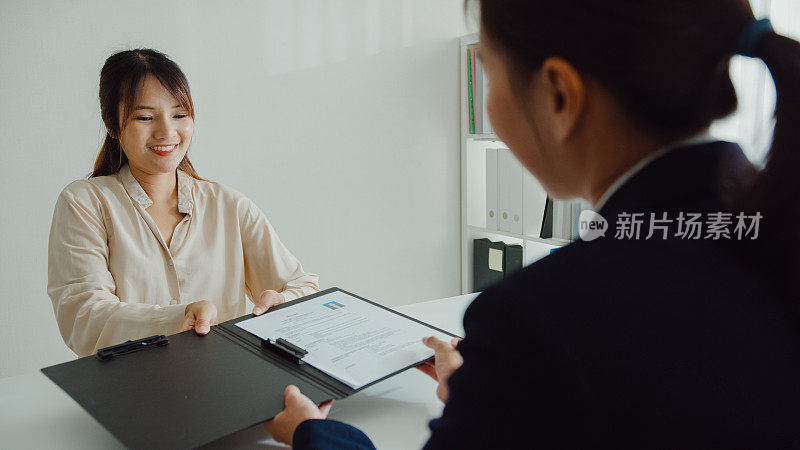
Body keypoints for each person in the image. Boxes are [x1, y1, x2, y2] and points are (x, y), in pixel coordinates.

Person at [262, 0, 800, 448]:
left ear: (560, 95)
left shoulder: (536, 319)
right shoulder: (772, 230)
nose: (490, 102)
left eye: (490, 76)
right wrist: (494, 394)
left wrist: (315, 434)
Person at [48, 49, 319, 357]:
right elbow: (84, 316)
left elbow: (304, 287)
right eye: (145, 117)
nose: (167, 131)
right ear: (112, 124)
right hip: (130, 389)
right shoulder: (85, 202)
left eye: (179, 115)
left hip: (224, 383)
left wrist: (282, 302)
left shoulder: (228, 205)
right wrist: (176, 317)